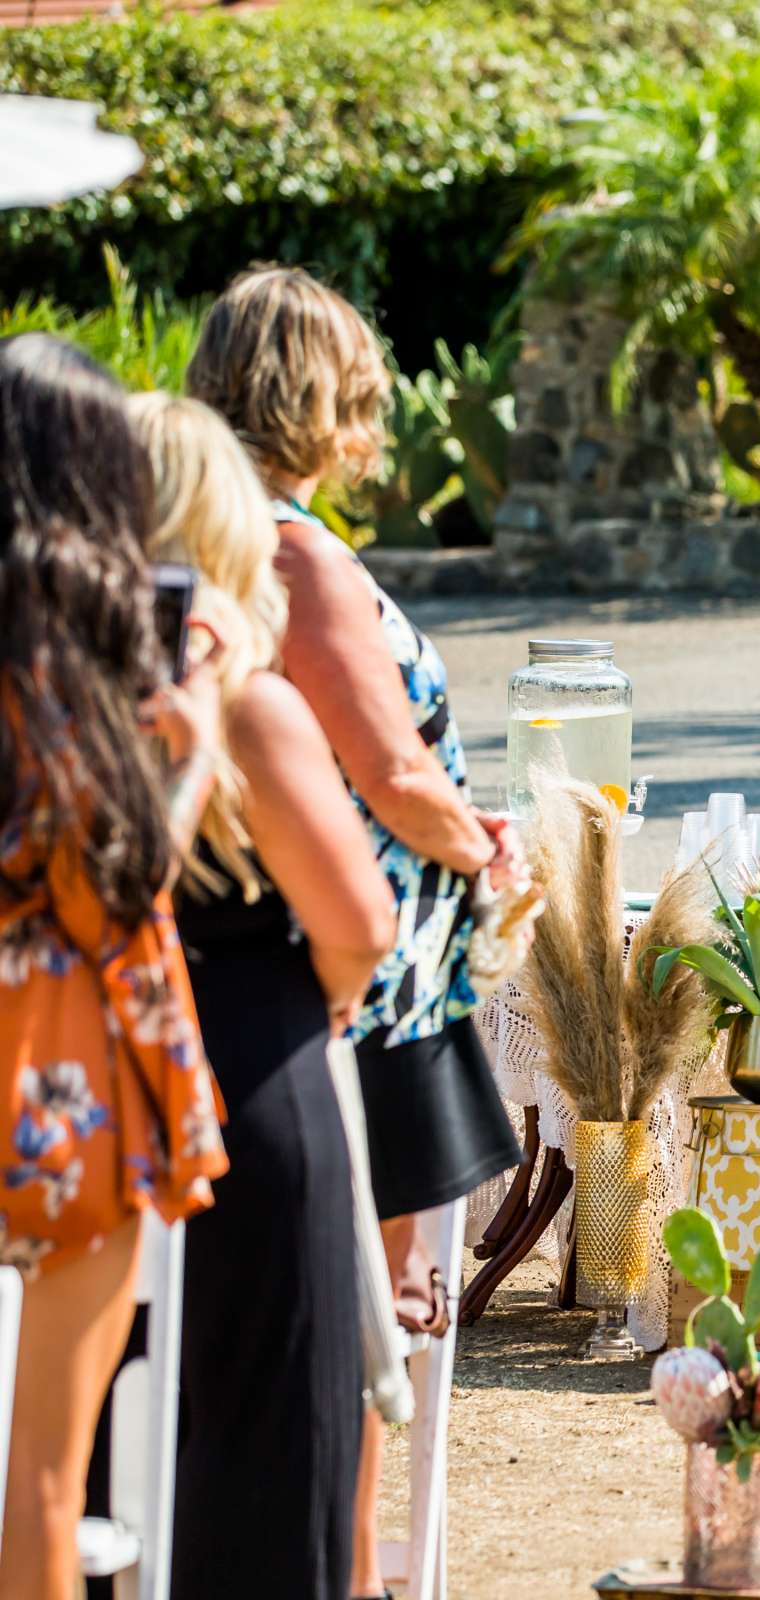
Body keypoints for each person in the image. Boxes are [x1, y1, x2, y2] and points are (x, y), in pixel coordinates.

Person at [183, 266, 524, 1600]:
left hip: (335, 960)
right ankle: (358, 1575)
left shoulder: (210, 532)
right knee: (367, 1332)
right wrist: (485, 841)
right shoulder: (293, 550)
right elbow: (386, 769)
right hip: (374, 985)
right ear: (321, 399)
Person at [129, 393, 398, 1600]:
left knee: (120, 1465)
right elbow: (360, 927)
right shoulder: (245, 701)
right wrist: (314, 1004)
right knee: (271, 1452)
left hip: (106, 1077)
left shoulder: (53, 694)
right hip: (253, 1074)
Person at [0, 335, 228, 1600]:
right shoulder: (76, 636)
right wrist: (190, 753)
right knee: (44, 1473)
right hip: (63, 1090)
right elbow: (118, 884)